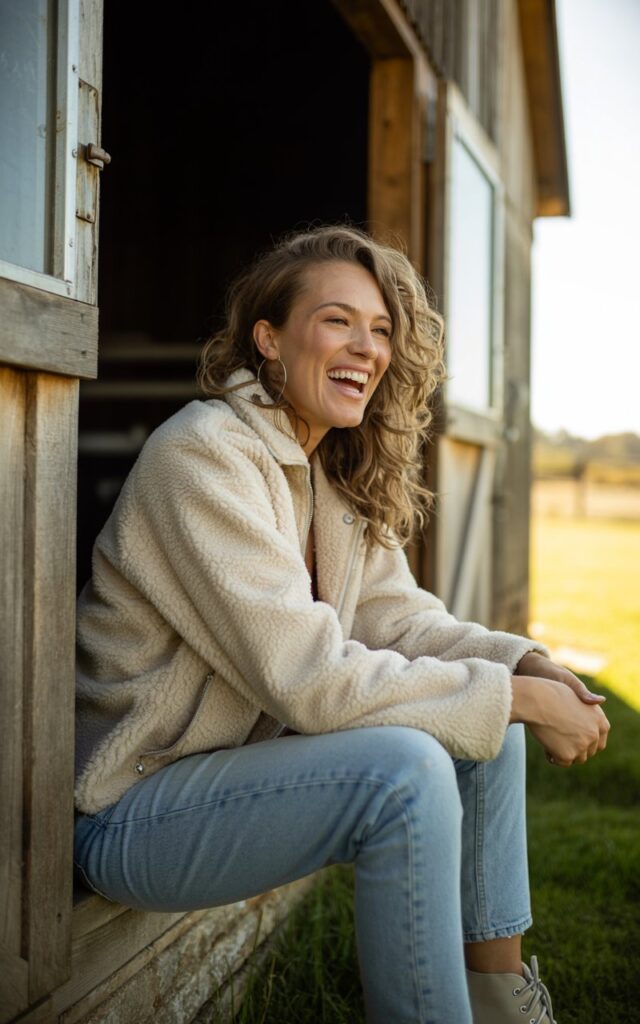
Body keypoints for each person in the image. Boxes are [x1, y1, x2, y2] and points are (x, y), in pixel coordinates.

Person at [73, 225, 610, 1024]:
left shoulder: (330, 474)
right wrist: (516, 698)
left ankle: (502, 1005)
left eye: (382, 328)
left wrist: (525, 666)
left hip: (227, 780)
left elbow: (407, 626)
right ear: (270, 340)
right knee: (408, 768)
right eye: (336, 321)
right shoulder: (203, 458)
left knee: (485, 718)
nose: (367, 346)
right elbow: (312, 681)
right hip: (134, 809)